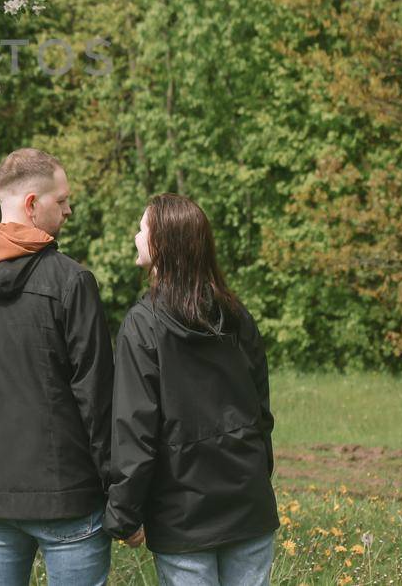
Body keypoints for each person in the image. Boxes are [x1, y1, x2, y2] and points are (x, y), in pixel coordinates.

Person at [0, 147, 114, 586]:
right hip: (67, 496)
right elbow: (98, 395)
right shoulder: (71, 282)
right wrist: (119, 491)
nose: (69, 210)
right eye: (62, 200)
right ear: (32, 204)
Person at [103, 193, 279, 586]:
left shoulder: (142, 325)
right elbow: (261, 414)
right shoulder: (236, 315)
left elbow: (135, 429)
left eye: (142, 228)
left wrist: (123, 515)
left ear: (163, 245)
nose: (135, 236)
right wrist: (256, 476)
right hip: (247, 501)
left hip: (182, 515)